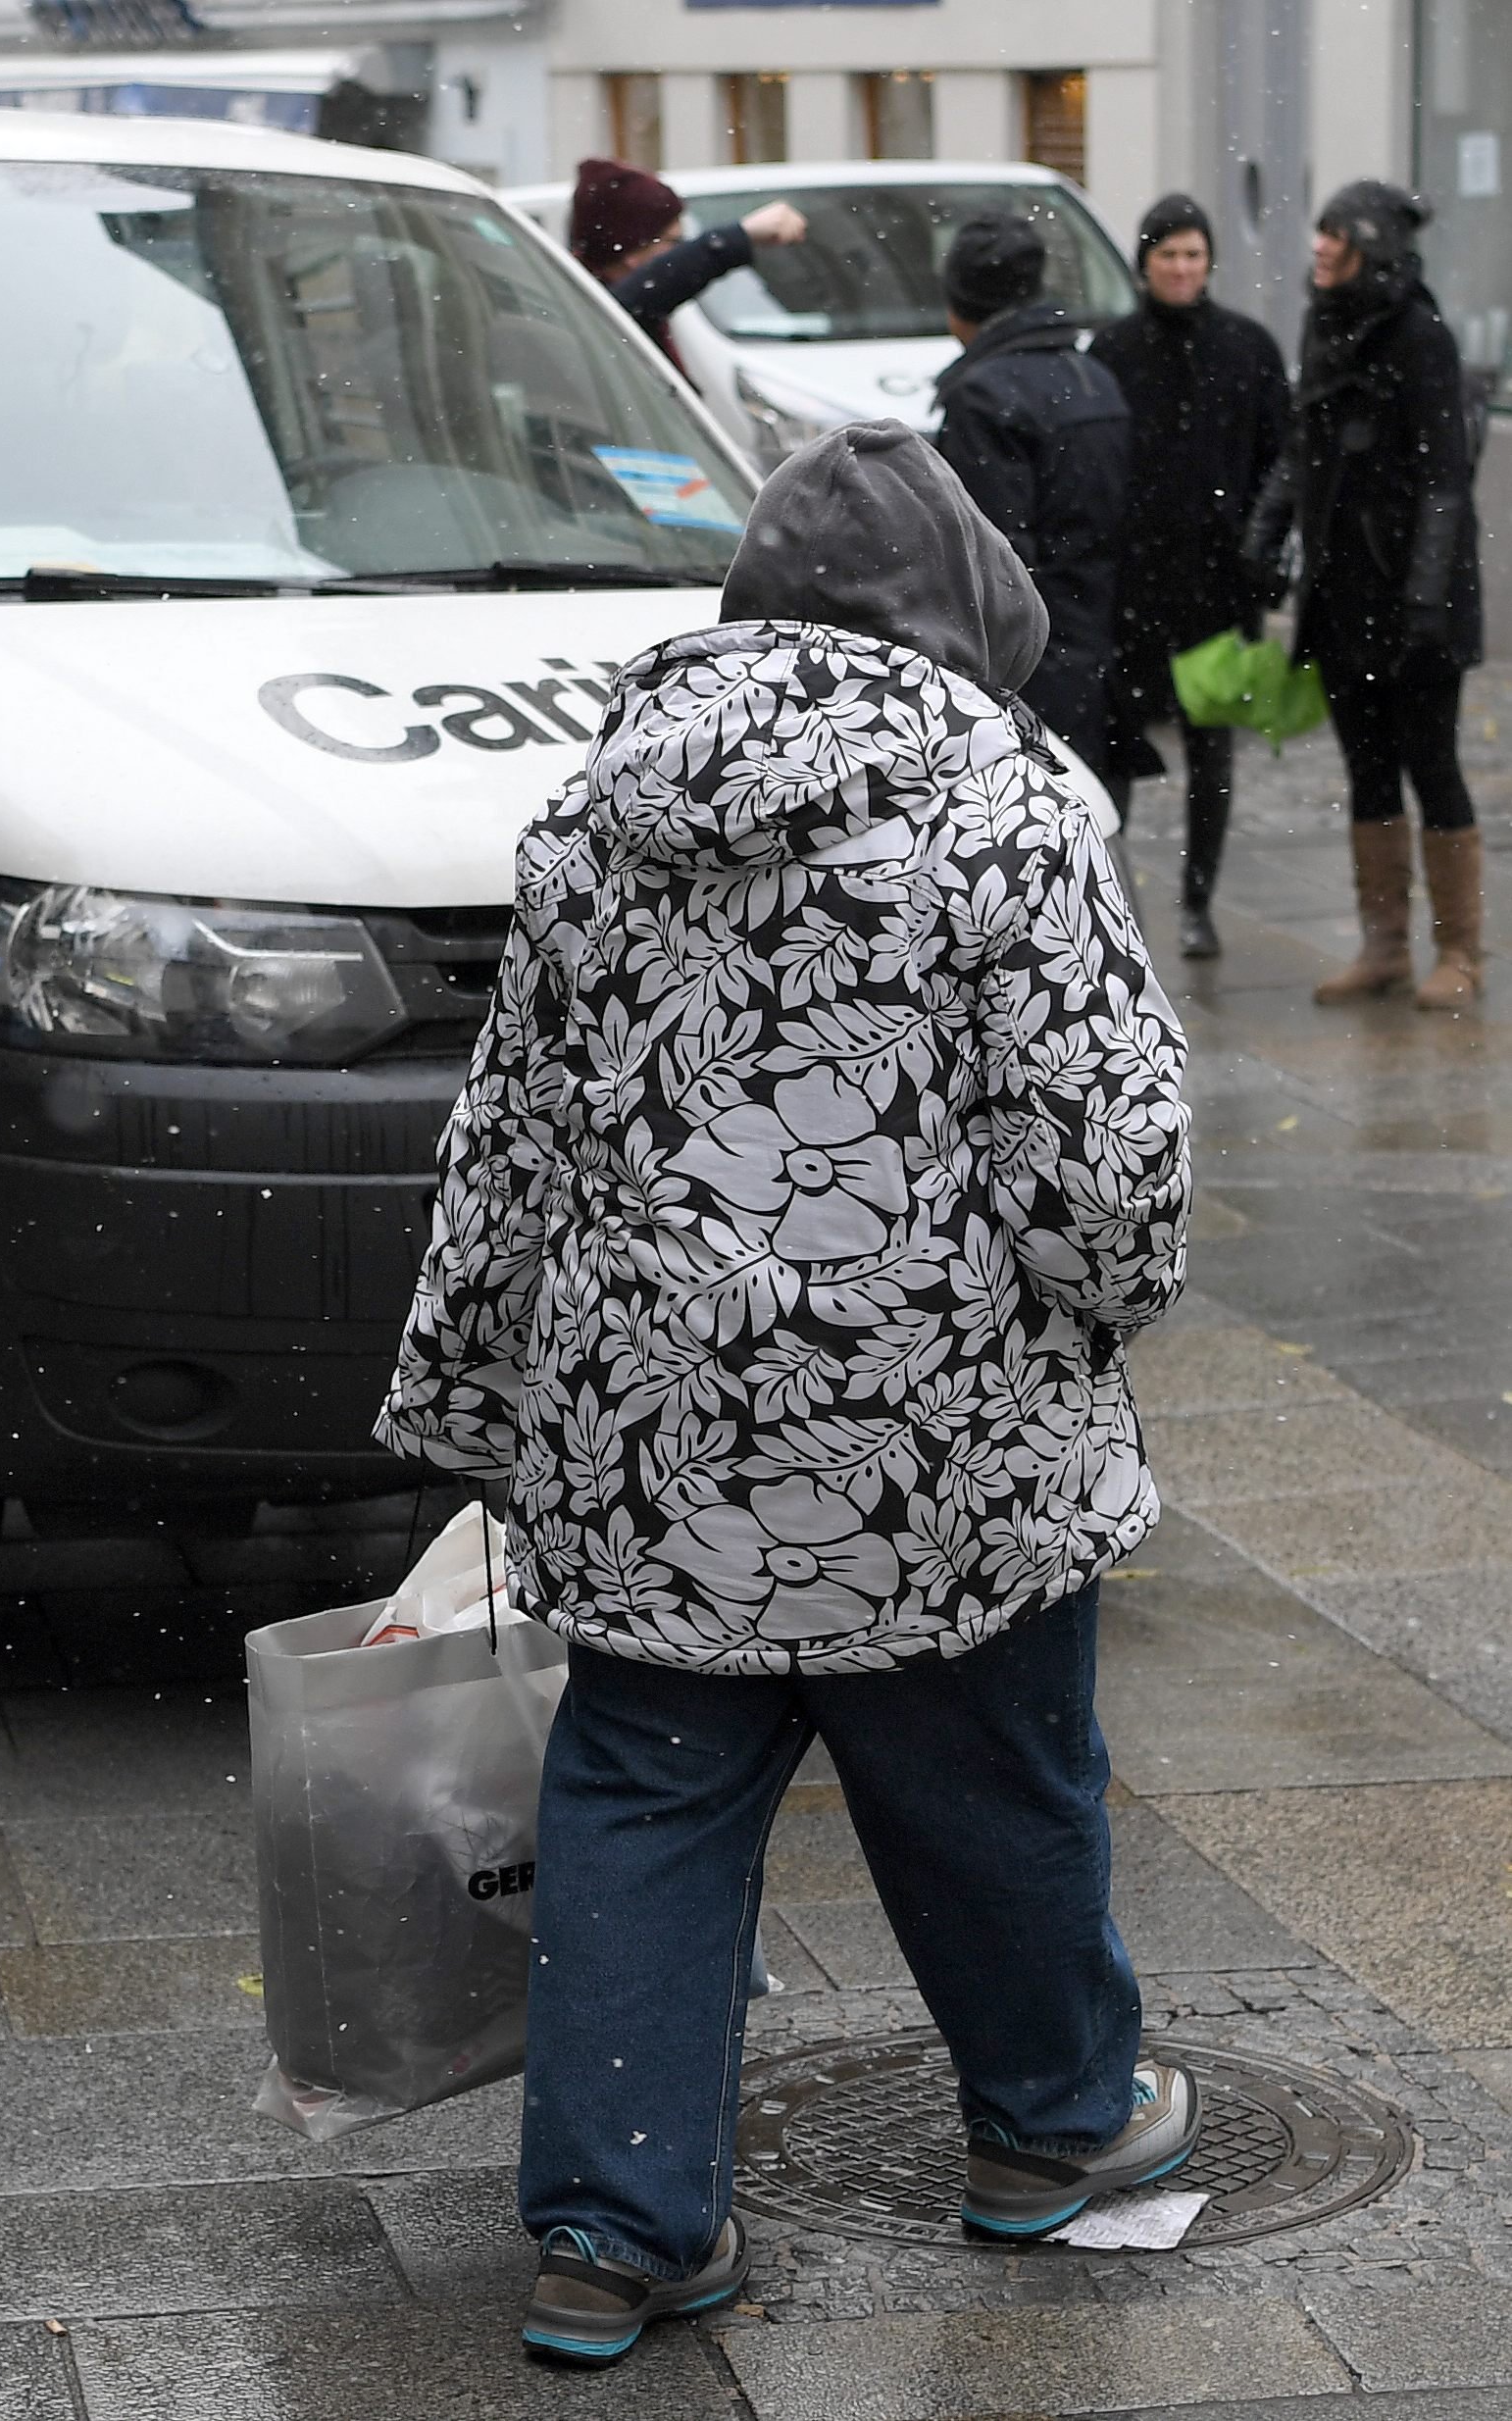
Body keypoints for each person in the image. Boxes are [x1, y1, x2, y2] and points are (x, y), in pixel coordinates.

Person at [378, 421, 1194, 2370]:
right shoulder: (999, 805)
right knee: (988, 1778)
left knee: (642, 1796)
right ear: (956, 610)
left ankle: (617, 2218)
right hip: (940, 1434)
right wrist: (1105, 1298)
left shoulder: (595, 811)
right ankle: (1056, 2126)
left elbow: (511, 1120)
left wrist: (475, 1384)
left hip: (652, 1426)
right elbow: (1096, 1140)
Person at [1249, 180, 1487, 1008]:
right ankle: (1384, 946)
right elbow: (1300, 442)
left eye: (1335, 237)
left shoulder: (1423, 338)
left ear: (1373, 245)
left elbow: (1442, 480)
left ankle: (1460, 950)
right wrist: (1266, 529)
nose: (1318, 249)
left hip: (1417, 602)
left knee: (1434, 765)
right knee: (1368, 771)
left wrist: (1424, 600)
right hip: (1343, 591)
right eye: (1317, 235)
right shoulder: (1326, 325)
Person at [1089, 195, 1293, 960]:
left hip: (1218, 589)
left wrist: (1265, 553)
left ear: (1210, 263)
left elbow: (1283, 459)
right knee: (1120, 749)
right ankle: (1108, 903)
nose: (1181, 268)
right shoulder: (1113, 351)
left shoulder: (1247, 347)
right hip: (1135, 589)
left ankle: (1198, 900)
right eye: (1168, 254)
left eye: (1193, 255)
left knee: (1212, 748)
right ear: (1144, 262)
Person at [932, 215, 1134, 785]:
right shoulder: (1093, 378)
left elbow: (994, 555)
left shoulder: (983, 397)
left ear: (960, 304)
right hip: (1097, 644)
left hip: (1031, 661)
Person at [569, 158, 807, 366]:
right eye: (673, 241)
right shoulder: (591, 316)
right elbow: (629, 302)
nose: (680, 252)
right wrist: (738, 236)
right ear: (632, 251)